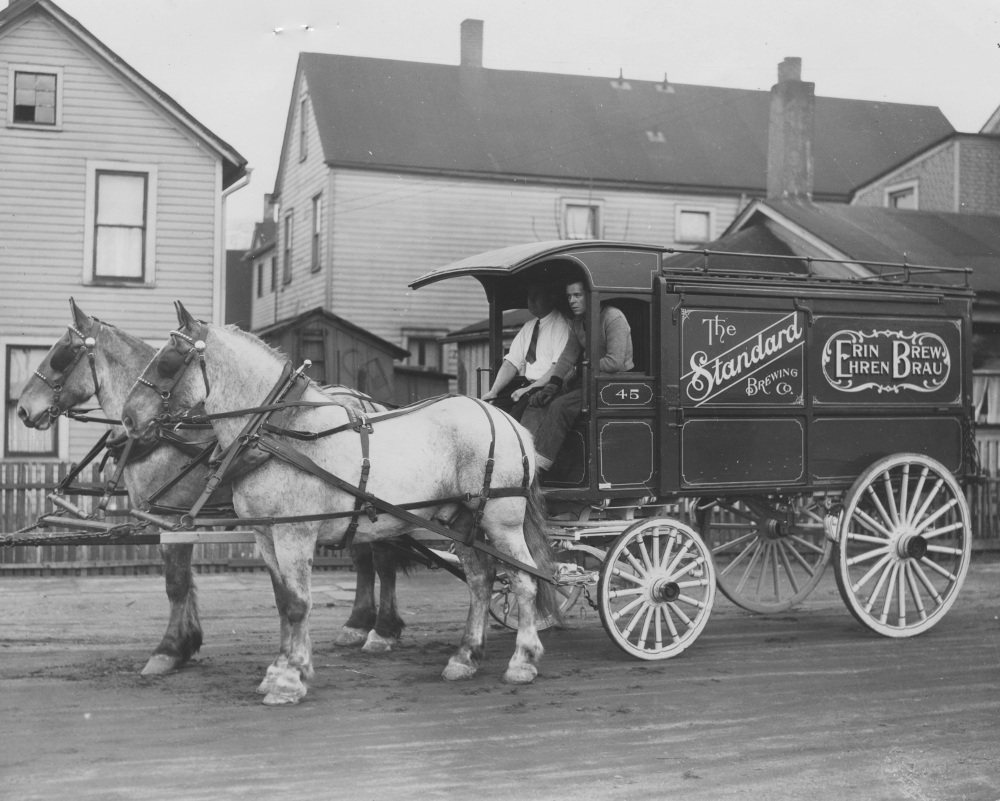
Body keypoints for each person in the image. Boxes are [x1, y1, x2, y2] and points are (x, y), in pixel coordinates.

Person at [521, 280, 633, 472]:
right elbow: (567, 357)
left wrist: (580, 370)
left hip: (614, 384)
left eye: (577, 295)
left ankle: (538, 468)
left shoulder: (613, 318)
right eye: (569, 296)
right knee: (538, 401)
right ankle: (523, 458)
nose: (572, 301)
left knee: (560, 406)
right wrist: (552, 386)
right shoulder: (578, 322)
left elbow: (615, 362)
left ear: (591, 295)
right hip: (589, 379)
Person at [481, 282, 572, 420]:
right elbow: (512, 362)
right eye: (529, 296)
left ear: (551, 298)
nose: (531, 300)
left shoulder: (561, 325)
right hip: (527, 385)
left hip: (547, 388)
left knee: (513, 420)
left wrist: (527, 390)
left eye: (537, 295)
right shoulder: (529, 326)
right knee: (492, 411)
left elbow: (558, 368)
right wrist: (493, 391)